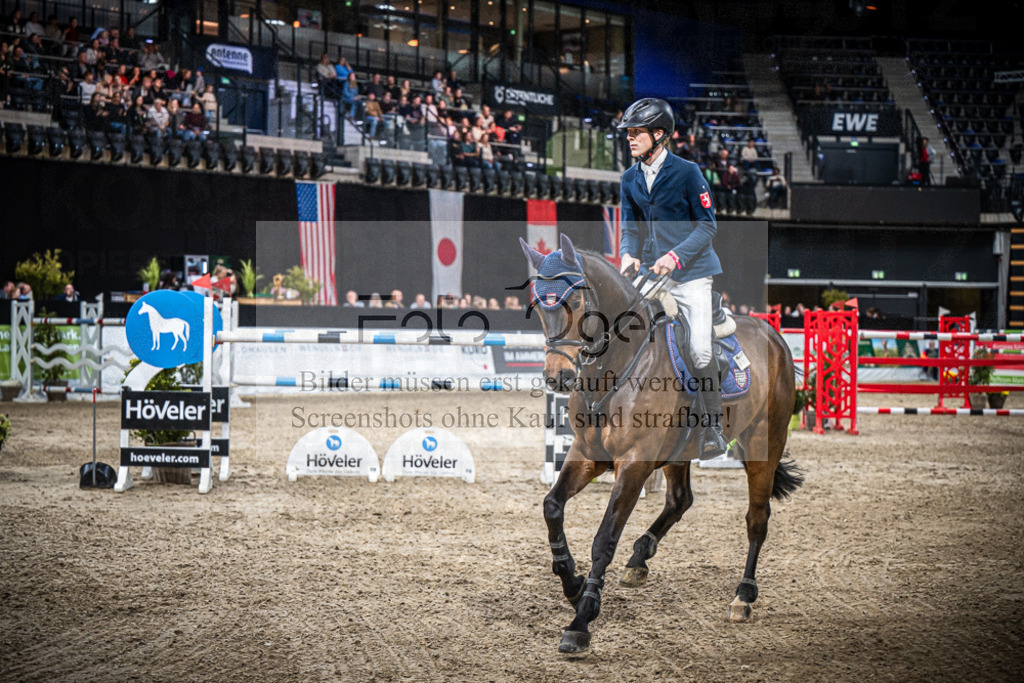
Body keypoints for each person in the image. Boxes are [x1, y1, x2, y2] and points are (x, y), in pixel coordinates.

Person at [616, 97, 727, 460]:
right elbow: (629, 226)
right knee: (619, 327)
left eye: (636, 133)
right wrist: (628, 253)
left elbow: (708, 225)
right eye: (628, 133)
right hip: (651, 272)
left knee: (699, 348)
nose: (629, 139)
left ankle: (712, 428)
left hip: (692, 273)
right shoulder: (629, 177)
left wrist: (675, 255)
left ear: (659, 134)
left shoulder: (687, 172)